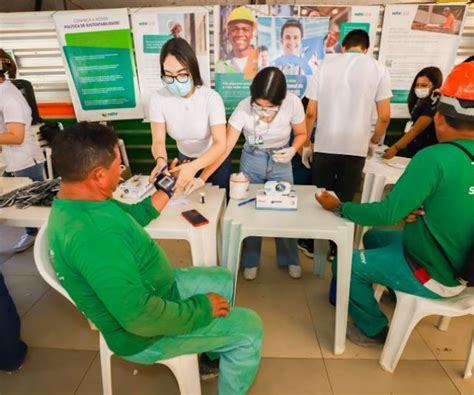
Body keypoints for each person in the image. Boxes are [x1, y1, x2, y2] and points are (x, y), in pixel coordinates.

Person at [48, 122, 263, 394]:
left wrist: (168, 187)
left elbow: (135, 216)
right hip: (144, 334)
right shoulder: (93, 236)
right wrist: (201, 309)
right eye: (118, 167)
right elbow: (139, 317)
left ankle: (212, 351)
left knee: (222, 279)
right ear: (99, 175)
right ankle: (228, 343)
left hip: (157, 290)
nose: (122, 172)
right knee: (250, 329)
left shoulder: (83, 200)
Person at [316, 62, 474, 346]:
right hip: (462, 265)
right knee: (375, 237)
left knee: (347, 263)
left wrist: (339, 206)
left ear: (439, 118)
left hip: (435, 273)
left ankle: (373, 330)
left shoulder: (435, 158)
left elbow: (386, 212)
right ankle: (386, 287)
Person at [202, 67, 307, 280]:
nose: (263, 112)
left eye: (270, 108)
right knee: (249, 210)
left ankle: (290, 258)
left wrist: (294, 150)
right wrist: (201, 177)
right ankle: (250, 260)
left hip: (281, 158)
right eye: (258, 106)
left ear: (282, 101)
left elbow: (302, 133)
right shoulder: (243, 108)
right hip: (252, 159)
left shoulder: (293, 103)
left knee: (285, 209)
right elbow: (224, 149)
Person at [298, 29, 391, 260]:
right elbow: (385, 116)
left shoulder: (326, 65)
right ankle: (335, 248)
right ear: (366, 48)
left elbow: (311, 112)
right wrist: (373, 141)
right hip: (356, 147)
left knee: (319, 194)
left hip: (326, 144)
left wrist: (307, 143)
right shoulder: (378, 68)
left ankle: (311, 242)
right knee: (345, 200)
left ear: (343, 46)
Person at [148, 38, 229, 195]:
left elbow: (220, 144)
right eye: (168, 75)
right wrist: (160, 162)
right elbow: (158, 142)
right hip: (185, 160)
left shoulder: (211, 98)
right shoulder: (158, 99)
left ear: (192, 69)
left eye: (182, 74)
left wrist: (194, 167)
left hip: (214, 161)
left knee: (216, 204)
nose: (175, 81)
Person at [0, 49, 46, 253]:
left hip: (24, 160)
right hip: (11, 159)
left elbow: (16, 137)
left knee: (35, 207)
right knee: (13, 201)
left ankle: (41, 239)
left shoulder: (10, 98)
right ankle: (31, 233)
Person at [383, 67, 443, 159]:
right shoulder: (420, 101)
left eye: (424, 85)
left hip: (426, 150)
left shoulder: (434, 100)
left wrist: (396, 147)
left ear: (435, 85)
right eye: (417, 85)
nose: (419, 88)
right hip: (414, 148)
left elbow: (418, 128)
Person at [215, 6, 258, 79]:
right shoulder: (220, 67)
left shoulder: (262, 62)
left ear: (252, 33)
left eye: (245, 29)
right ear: (228, 33)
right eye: (234, 29)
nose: (240, 34)